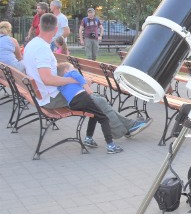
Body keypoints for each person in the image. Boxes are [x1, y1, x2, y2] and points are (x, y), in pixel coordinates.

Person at [23, 13, 152, 139]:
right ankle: (122, 130)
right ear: (56, 29)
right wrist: (74, 80)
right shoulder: (42, 49)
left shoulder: (32, 44)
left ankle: (130, 126)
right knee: (98, 100)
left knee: (95, 97)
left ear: (39, 26)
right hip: (52, 98)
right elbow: (47, 79)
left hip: (45, 95)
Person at [56, 62, 124, 154]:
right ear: (66, 71)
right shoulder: (70, 74)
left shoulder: (60, 82)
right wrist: (88, 90)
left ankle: (88, 138)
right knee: (104, 119)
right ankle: (110, 145)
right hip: (83, 98)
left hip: (73, 104)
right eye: (72, 68)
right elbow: (79, 78)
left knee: (94, 115)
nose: (74, 70)